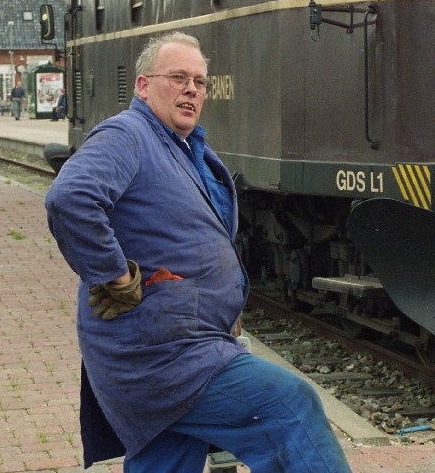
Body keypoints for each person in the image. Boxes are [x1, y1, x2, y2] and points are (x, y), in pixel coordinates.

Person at [45, 32, 352, 473]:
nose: (191, 89)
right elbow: (70, 198)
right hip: (163, 354)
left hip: (179, 345)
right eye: (178, 77)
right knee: (290, 405)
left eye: (200, 82)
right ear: (143, 85)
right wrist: (113, 277)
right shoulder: (127, 134)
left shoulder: (188, 150)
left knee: (168, 458)